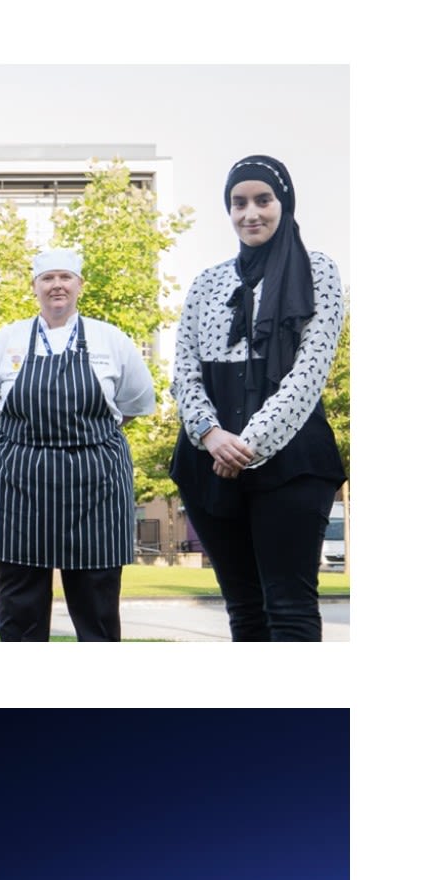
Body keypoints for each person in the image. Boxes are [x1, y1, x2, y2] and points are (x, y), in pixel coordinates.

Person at [170, 155, 346, 641]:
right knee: (244, 611)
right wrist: (210, 435)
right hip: (208, 456)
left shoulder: (319, 273)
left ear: (283, 203)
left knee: (288, 609)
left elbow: (309, 373)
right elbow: (183, 370)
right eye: (238, 203)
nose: (251, 213)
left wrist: (247, 447)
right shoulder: (207, 282)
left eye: (262, 200)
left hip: (291, 458)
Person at [0, 249, 155, 641]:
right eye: (47, 278)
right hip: (18, 485)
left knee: (97, 606)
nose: (57, 285)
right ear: (34, 287)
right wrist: (28, 440)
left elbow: (134, 404)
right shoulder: (5, 341)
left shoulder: (111, 340)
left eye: (65, 277)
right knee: (19, 607)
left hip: (95, 486)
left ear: (80, 284)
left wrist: (84, 439)